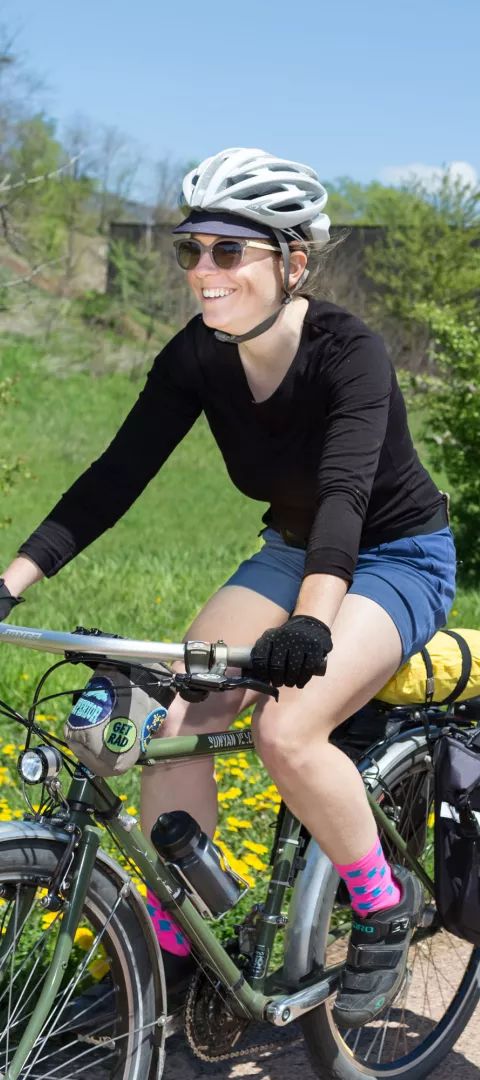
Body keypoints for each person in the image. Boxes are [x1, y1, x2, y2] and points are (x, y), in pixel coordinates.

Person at [0, 147, 456, 1029]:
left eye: (228, 252)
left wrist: (313, 628)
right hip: (292, 548)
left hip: (397, 553)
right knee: (177, 720)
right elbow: (114, 476)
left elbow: (346, 498)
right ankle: (191, 942)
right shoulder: (197, 357)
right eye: (191, 251)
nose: (203, 272)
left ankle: (380, 903)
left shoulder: (348, 352)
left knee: (289, 725)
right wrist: (12, 581)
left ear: (293, 261)